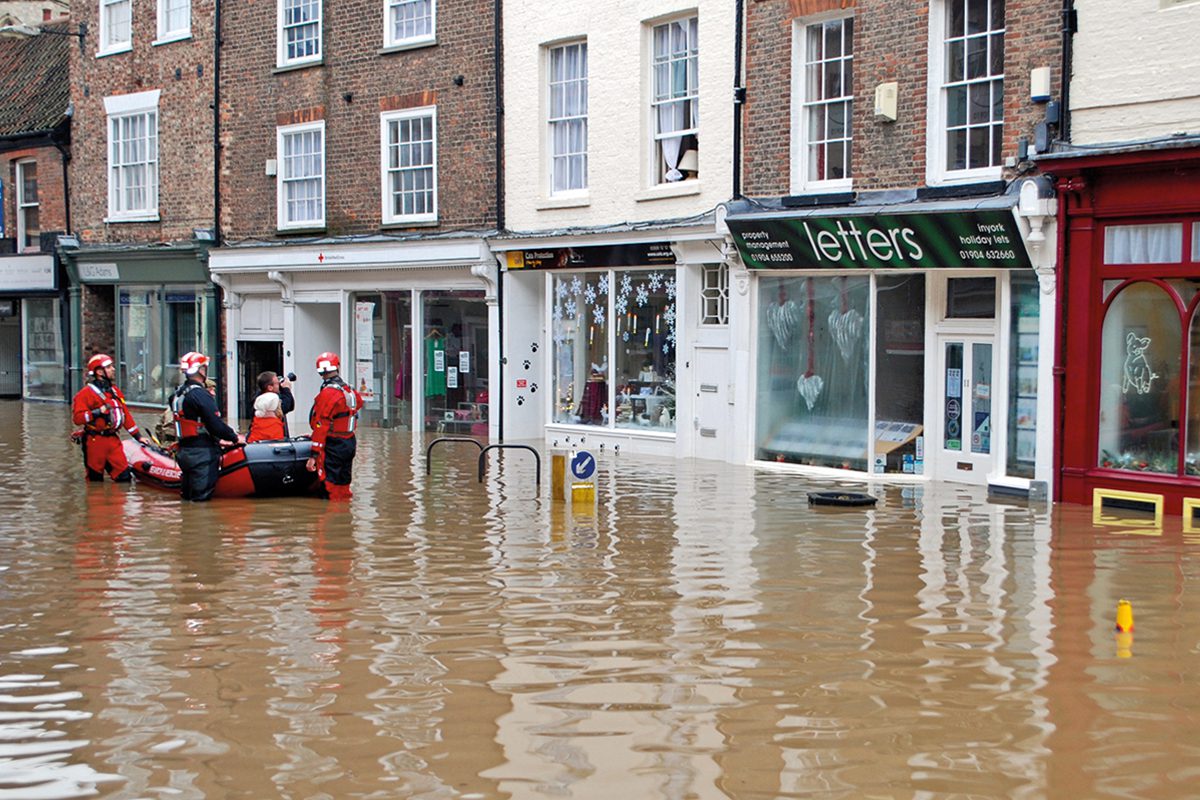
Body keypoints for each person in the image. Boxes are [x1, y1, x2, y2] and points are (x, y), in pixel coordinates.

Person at [171, 352, 240, 502]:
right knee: (201, 500)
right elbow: (215, 424)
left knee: (188, 495)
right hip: (201, 454)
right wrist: (234, 438)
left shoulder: (177, 394)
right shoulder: (200, 395)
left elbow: (196, 422)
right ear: (201, 370)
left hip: (184, 451)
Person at [71, 353, 147, 482]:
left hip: (113, 441)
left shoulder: (115, 391)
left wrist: (138, 436)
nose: (113, 369)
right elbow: (78, 418)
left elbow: (125, 415)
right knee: (95, 480)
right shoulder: (85, 394)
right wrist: (97, 412)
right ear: (99, 371)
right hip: (95, 441)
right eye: (109, 367)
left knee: (124, 478)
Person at [306, 352, 362, 500]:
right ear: (337, 366)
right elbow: (359, 404)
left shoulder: (328, 393)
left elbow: (320, 425)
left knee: (329, 483)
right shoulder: (349, 390)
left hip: (333, 444)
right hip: (349, 442)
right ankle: (344, 516)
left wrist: (314, 455)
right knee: (344, 481)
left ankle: (331, 517)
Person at [246, 370, 295, 442]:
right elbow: (286, 407)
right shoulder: (268, 401)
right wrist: (286, 389)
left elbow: (290, 405)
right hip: (268, 441)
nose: (279, 384)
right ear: (270, 387)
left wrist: (282, 389)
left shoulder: (258, 398)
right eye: (277, 384)